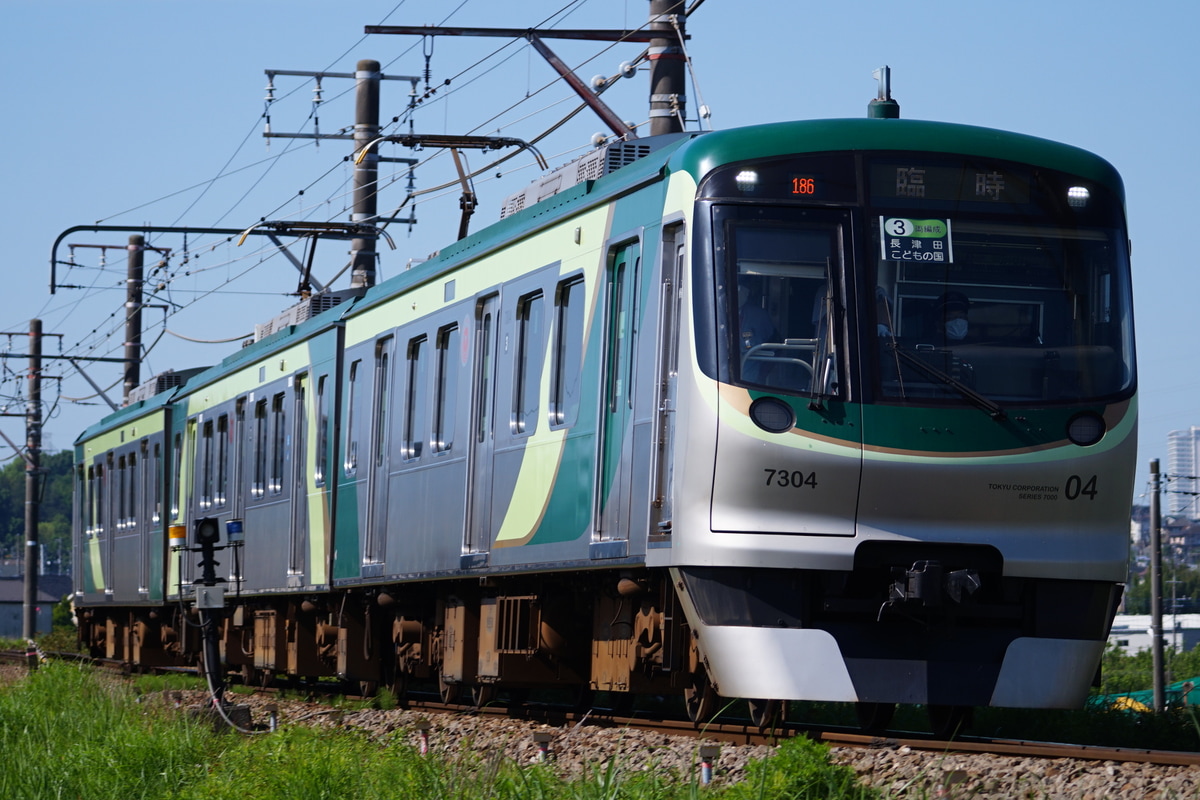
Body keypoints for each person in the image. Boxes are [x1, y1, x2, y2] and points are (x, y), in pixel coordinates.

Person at [737, 278, 776, 382]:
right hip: (719, 379)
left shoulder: (759, 316)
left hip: (752, 380)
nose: (739, 293)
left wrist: (762, 374)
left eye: (742, 290)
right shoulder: (714, 313)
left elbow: (776, 345)